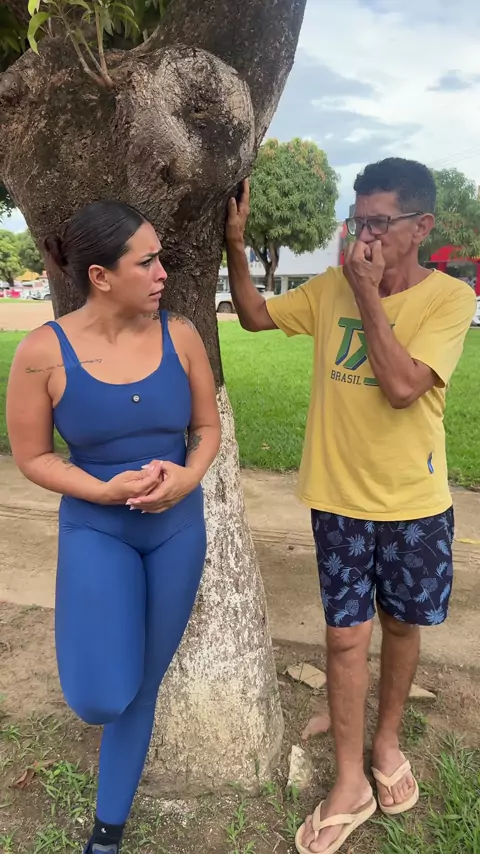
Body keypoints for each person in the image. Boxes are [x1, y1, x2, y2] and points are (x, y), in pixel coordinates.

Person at [225, 158, 476, 854]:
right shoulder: (333, 286)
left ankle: (386, 743)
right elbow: (253, 316)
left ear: (421, 227)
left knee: (401, 626)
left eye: (378, 222)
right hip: (337, 499)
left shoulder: (449, 300)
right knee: (343, 637)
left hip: (414, 501)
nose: (363, 235)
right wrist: (236, 243)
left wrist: (367, 293)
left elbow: (402, 387)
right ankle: (349, 781)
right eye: (357, 220)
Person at [6, 200, 221, 854]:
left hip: (177, 531)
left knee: (143, 687)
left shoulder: (181, 335)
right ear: (100, 276)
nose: (163, 273)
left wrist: (188, 477)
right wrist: (103, 490)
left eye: (160, 259)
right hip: (98, 529)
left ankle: (107, 832)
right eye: (146, 262)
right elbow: (32, 457)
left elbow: (206, 427)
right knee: (102, 697)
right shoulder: (43, 352)